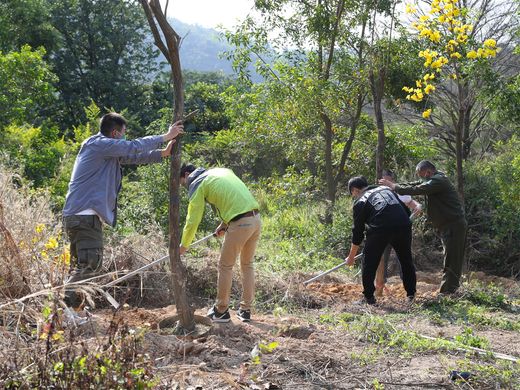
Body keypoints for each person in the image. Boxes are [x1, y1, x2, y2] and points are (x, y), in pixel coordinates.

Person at [62, 112, 183, 323]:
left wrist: (161, 154)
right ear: (115, 133)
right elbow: (132, 147)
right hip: (84, 215)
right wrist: (165, 136)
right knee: (90, 264)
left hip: (80, 215)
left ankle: (74, 311)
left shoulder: (104, 149)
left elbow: (131, 156)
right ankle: (65, 311)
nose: (126, 138)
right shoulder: (100, 144)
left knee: (83, 265)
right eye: (124, 134)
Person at [179, 164, 261, 323]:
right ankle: (246, 310)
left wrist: (183, 246)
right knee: (247, 264)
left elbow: (192, 220)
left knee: (225, 266)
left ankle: (221, 311)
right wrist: (224, 224)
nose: (184, 186)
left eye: (182, 182)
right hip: (255, 219)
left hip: (240, 223)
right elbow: (232, 198)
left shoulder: (197, 183)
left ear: (187, 174)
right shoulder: (221, 171)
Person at [379, 160, 467, 295]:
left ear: (428, 172)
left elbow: (418, 189)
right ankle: (449, 291)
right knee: (449, 258)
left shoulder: (438, 180)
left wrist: (394, 186)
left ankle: (448, 293)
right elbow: (414, 184)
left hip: (453, 226)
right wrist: (394, 187)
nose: (420, 178)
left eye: (421, 175)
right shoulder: (432, 179)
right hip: (447, 226)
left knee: (452, 260)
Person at [345, 176, 417, 305]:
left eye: (352, 194)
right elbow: (404, 210)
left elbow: (357, 233)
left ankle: (369, 298)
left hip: (380, 227)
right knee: (406, 260)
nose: (354, 197)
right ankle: (411, 295)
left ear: (355, 190)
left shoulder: (360, 201)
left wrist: (351, 257)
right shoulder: (386, 189)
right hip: (404, 224)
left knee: (369, 261)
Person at [375, 169, 422, 297]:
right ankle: (379, 286)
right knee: (381, 257)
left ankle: (409, 291)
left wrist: (418, 207)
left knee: (404, 259)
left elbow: (414, 204)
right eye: (382, 180)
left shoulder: (400, 192)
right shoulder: (377, 193)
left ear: (391, 179)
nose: (383, 182)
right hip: (383, 231)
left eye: (386, 180)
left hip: (401, 231)